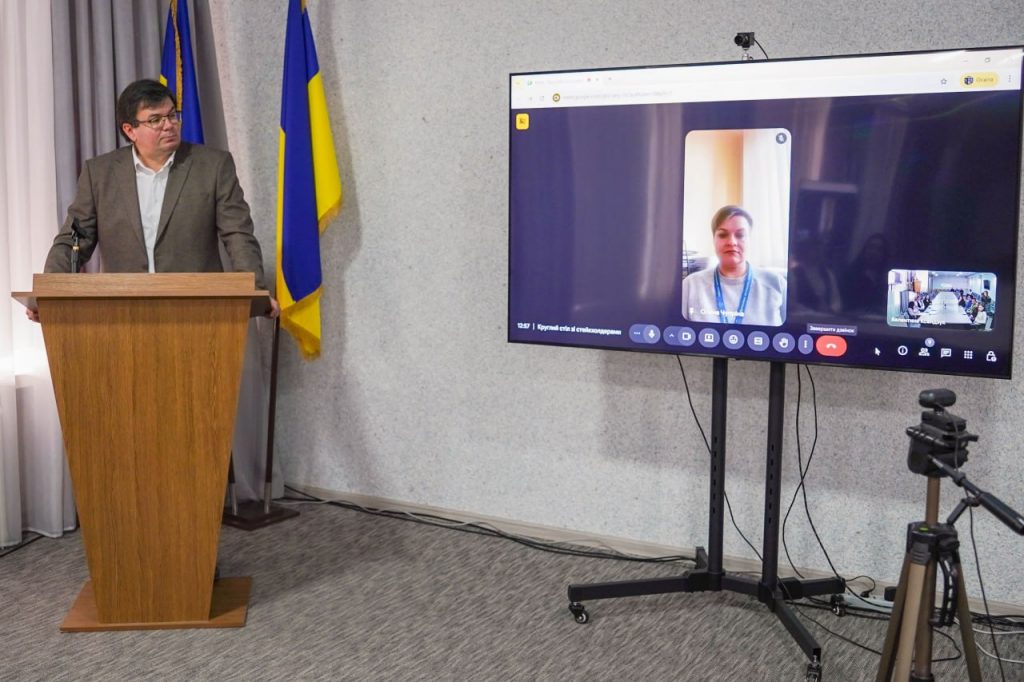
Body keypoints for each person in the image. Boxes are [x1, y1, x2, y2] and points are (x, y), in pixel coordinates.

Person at [28, 79, 278, 321]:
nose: (168, 125)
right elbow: (73, 239)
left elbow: (237, 234)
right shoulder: (101, 173)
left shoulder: (213, 166)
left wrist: (254, 289)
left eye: (171, 115)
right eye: (155, 120)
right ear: (130, 130)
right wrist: (49, 293)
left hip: (197, 311)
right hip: (122, 313)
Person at [681, 205, 786, 326]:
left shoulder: (777, 283)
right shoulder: (690, 285)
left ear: (750, 240)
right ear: (714, 239)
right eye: (723, 235)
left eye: (740, 235)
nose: (731, 242)